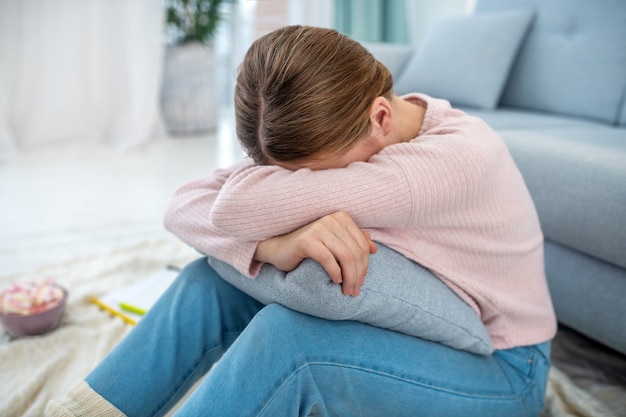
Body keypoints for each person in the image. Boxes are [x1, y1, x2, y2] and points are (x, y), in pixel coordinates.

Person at [47, 25, 557, 417]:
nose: (291, 191)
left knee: (292, 344)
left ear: (381, 119)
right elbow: (182, 204)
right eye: (281, 179)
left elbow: (230, 208)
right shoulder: (356, 124)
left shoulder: (441, 164)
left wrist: (262, 226)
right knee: (208, 280)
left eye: (303, 182)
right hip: (431, 316)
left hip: (505, 372)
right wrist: (271, 246)